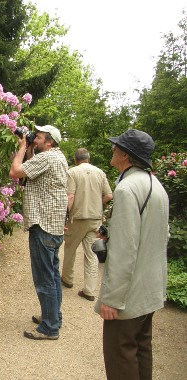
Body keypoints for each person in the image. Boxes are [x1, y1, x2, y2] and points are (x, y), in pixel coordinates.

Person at [95, 129, 169, 379]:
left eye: (116, 147)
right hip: (150, 288)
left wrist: (112, 299)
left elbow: (125, 251)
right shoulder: (156, 185)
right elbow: (159, 236)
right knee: (141, 349)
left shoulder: (127, 189)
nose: (112, 150)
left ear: (125, 154)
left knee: (120, 354)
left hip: (129, 294)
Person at [9, 125, 68, 340]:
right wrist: (31, 148)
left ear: (50, 142)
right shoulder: (57, 157)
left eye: (39, 137)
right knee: (52, 274)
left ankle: (49, 327)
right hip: (53, 225)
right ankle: (54, 317)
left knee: (44, 279)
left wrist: (23, 146)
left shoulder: (47, 158)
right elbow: (32, 173)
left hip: (43, 225)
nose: (36, 138)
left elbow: (15, 172)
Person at [61, 148, 113, 301]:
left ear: (76, 160)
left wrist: (65, 215)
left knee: (70, 249)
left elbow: (70, 196)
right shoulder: (100, 172)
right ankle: (89, 290)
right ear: (88, 158)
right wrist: (98, 204)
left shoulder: (72, 172)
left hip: (77, 218)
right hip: (95, 219)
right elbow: (109, 195)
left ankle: (67, 279)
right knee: (92, 254)